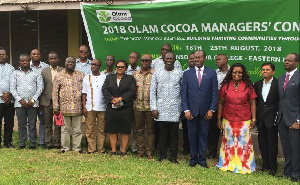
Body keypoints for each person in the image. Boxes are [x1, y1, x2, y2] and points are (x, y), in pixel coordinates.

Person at [216, 63, 257, 174]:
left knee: (243, 143)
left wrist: (254, 119)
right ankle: (228, 164)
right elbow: (220, 103)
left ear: (243, 74)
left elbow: (252, 103)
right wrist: (218, 119)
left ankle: (244, 164)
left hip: (244, 119)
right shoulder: (226, 86)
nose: (237, 74)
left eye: (239, 72)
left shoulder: (248, 86)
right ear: (231, 73)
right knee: (228, 142)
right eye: (234, 72)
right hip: (228, 118)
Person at [181, 50, 218, 168]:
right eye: (195, 58)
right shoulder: (187, 73)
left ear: (204, 58)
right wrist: (186, 110)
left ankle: (202, 159)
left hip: (205, 112)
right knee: (192, 136)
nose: (196, 60)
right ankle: (193, 159)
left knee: (203, 135)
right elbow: (184, 93)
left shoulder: (211, 73)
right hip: (191, 112)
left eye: (199, 58)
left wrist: (211, 109)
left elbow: (214, 93)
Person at [150, 52, 182, 163]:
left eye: (171, 58)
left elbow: (183, 92)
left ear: (174, 60)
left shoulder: (179, 73)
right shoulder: (157, 73)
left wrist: (181, 108)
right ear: (163, 60)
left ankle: (173, 157)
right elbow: (152, 91)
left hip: (175, 108)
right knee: (162, 134)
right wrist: (153, 108)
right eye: (167, 58)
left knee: (174, 134)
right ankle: (162, 156)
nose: (169, 60)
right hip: (161, 109)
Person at [102, 59, 136, 156]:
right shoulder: (109, 77)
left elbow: (132, 91)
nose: (119, 68)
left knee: (125, 130)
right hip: (112, 107)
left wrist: (121, 99)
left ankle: (123, 151)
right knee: (112, 129)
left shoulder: (130, 78)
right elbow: (104, 89)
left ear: (126, 68)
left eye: (122, 67)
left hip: (125, 107)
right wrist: (113, 99)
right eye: (118, 67)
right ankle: (113, 150)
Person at [10, 54, 43, 149]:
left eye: (27, 61)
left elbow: (40, 87)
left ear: (30, 61)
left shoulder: (36, 72)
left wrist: (33, 99)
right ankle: (22, 143)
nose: (25, 62)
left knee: (32, 124)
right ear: (19, 62)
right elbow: (12, 88)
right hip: (19, 103)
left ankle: (32, 143)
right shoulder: (15, 73)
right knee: (21, 124)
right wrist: (20, 100)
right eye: (22, 61)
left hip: (33, 103)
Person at [53, 56, 85, 153]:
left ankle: (76, 148)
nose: (70, 63)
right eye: (68, 62)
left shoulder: (81, 75)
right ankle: (65, 148)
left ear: (75, 64)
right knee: (64, 129)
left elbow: (85, 91)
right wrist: (55, 106)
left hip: (77, 107)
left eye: (72, 62)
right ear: (65, 63)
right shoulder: (59, 75)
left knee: (77, 129)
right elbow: (54, 92)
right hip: (63, 108)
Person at [277, 53, 299, 182]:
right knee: (286, 148)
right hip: (282, 119)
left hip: (295, 120)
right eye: (285, 60)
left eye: (289, 61)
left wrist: (298, 120)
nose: (286, 62)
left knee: (296, 149)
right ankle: (287, 172)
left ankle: (295, 174)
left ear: (297, 63)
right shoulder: (281, 78)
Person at [254, 62, 279, 176]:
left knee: (272, 143)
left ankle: (273, 167)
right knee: (262, 143)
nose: (264, 71)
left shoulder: (278, 84)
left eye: (267, 70)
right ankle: (265, 165)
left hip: (272, 119)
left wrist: (276, 117)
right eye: (263, 69)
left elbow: (279, 102)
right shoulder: (258, 84)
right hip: (260, 119)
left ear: (273, 72)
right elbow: (257, 102)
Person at [82, 59, 107, 154]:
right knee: (90, 130)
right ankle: (91, 149)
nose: (94, 66)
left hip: (102, 108)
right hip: (90, 108)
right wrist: (84, 106)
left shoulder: (104, 77)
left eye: (96, 65)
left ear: (100, 66)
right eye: (92, 64)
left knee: (101, 129)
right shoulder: (86, 77)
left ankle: (101, 149)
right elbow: (84, 93)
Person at [207, 54, 230, 159]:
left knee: (228, 130)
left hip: (230, 106)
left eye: (219, 59)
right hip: (216, 105)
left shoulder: (233, 73)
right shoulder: (214, 73)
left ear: (226, 60)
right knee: (213, 130)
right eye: (215, 59)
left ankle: (227, 153)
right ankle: (212, 152)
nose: (216, 60)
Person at [40, 52, 64, 149]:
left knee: (58, 123)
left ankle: (57, 142)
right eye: (51, 58)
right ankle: (48, 142)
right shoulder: (44, 71)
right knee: (47, 123)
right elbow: (41, 87)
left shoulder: (63, 71)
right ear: (48, 60)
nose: (53, 60)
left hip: (59, 101)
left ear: (58, 59)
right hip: (47, 101)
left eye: (55, 58)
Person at [133, 54, 155, 159]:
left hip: (150, 107)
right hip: (138, 106)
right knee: (139, 130)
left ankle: (149, 151)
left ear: (151, 62)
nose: (144, 62)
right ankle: (140, 150)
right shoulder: (135, 74)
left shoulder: (155, 74)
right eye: (143, 60)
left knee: (150, 130)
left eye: (147, 60)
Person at [30, 49, 49, 148]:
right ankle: (32, 141)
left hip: (44, 99)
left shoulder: (46, 67)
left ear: (40, 55)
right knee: (31, 122)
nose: (36, 55)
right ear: (30, 56)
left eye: (38, 54)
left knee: (43, 121)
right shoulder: (25, 66)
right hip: (30, 101)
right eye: (34, 54)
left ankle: (42, 141)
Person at [0, 47, 15, 148]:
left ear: (7, 56)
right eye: (0, 54)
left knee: (9, 122)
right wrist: (2, 95)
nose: (1, 56)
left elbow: (14, 82)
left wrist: (9, 93)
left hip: (10, 100)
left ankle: (8, 142)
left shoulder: (11, 68)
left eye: (3, 54)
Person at [126, 51, 141, 154]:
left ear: (137, 59)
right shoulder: (124, 70)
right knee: (126, 126)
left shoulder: (141, 71)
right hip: (125, 103)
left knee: (136, 127)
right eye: (130, 57)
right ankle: (125, 146)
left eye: (134, 58)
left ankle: (135, 147)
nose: (132, 59)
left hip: (136, 103)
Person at [181, 52, 194, 155]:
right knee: (186, 129)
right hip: (186, 106)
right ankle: (186, 149)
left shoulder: (205, 73)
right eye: (190, 59)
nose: (192, 60)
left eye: (194, 58)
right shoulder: (184, 73)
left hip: (199, 106)